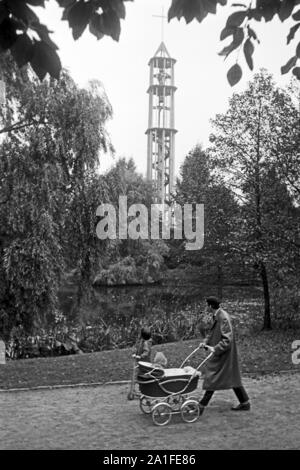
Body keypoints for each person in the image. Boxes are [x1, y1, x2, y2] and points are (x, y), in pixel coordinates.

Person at [198, 296, 250, 413]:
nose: (206, 307)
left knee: (212, 377)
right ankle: (245, 402)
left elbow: (227, 340)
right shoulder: (218, 315)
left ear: (210, 306)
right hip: (222, 353)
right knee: (232, 377)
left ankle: (201, 405)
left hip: (224, 354)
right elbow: (212, 332)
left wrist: (215, 349)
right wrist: (205, 342)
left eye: (206, 305)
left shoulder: (223, 318)